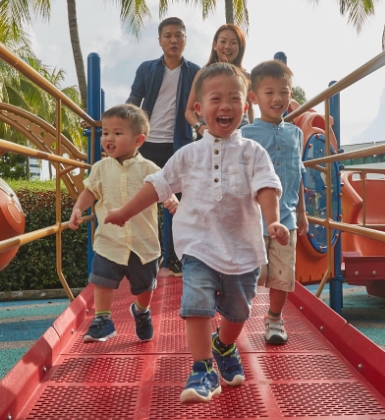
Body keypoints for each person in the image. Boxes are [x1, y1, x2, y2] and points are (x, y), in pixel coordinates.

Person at [104, 63, 289, 403]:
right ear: (199, 109)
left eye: (234, 98)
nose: (225, 106)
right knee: (196, 304)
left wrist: (273, 220)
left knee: (238, 313)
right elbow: (158, 185)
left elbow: (266, 188)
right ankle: (202, 368)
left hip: (243, 251)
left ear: (245, 108)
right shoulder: (188, 155)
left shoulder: (253, 153)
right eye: (216, 98)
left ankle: (224, 344)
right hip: (198, 247)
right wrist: (126, 211)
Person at [69, 104, 178, 343]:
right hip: (109, 240)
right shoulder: (99, 168)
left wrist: (170, 200)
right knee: (101, 278)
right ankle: (102, 320)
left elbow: (162, 189)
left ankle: (141, 311)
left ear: (138, 139)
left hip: (143, 241)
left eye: (117, 133)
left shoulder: (149, 168)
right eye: (105, 132)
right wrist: (78, 208)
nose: (109, 138)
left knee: (145, 287)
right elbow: (90, 191)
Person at [127, 17, 200, 277]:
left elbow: (200, 106)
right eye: (168, 35)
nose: (173, 40)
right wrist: (117, 130)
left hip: (178, 144)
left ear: (185, 40)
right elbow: (134, 101)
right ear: (159, 41)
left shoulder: (195, 72)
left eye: (178, 35)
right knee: (146, 203)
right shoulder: (147, 69)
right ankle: (147, 258)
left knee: (178, 204)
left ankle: (175, 259)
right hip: (148, 144)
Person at [241, 60, 307, 345]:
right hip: (252, 219)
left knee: (282, 275)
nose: (278, 98)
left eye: (284, 91)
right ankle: (234, 314)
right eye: (269, 92)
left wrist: (302, 213)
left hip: (287, 218)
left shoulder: (296, 133)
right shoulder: (244, 134)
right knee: (252, 274)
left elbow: (298, 174)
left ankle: (274, 318)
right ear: (254, 97)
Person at [185, 24, 252, 139]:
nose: (227, 46)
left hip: (240, 136)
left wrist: (250, 129)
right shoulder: (202, 74)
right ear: (215, 45)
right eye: (223, 41)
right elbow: (189, 111)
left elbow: (249, 110)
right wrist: (199, 127)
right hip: (210, 136)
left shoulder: (246, 77)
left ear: (240, 47)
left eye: (233, 43)